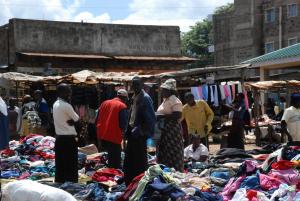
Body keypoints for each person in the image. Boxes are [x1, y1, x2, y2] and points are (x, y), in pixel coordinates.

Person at [123, 77, 156, 186]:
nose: (135, 87)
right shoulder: (134, 97)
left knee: (140, 161)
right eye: (133, 85)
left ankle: (141, 183)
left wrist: (141, 131)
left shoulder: (145, 98)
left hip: (139, 135)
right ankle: (130, 183)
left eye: (137, 85)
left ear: (141, 85)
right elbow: (132, 116)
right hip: (132, 133)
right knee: (130, 160)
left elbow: (151, 119)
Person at [53, 84, 79, 183]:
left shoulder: (55, 104)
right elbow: (77, 119)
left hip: (59, 139)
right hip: (68, 139)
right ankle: (71, 185)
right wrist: (74, 121)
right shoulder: (67, 105)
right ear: (61, 92)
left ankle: (60, 182)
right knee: (71, 164)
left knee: (60, 164)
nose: (70, 93)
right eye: (68, 91)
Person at [96, 89, 129, 169]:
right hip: (114, 137)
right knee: (115, 162)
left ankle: (109, 172)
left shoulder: (104, 103)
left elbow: (96, 119)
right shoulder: (122, 106)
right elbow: (123, 124)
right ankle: (113, 176)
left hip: (103, 135)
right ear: (124, 98)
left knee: (108, 157)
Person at [156, 79, 184, 172]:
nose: (162, 91)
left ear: (170, 90)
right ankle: (165, 170)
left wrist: (162, 116)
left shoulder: (175, 100)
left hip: (172, 130)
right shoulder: (166, 100)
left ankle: (175, 170)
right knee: (164, 151)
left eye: (164, 90)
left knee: (172, 151)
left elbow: (178, 114)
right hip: (165, 129)